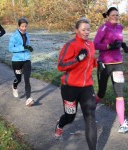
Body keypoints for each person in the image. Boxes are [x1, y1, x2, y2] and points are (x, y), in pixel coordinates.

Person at [54, 18, 97, 150]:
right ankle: (60, 125)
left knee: (90, 117)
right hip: (70, 88)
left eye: (88, 29)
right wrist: (77, 59)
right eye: (83, 29)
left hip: (87, 87)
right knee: (70, 117)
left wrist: (99, 63)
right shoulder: (70, 45)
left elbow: (91, 62)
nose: (86, 32)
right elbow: (61, 66)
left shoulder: (91, 44)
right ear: (76, 30)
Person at [94, 7, 128, 133]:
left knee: (119, 94)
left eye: (117, 15)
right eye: (113, 15)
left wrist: (124, 46)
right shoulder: (103, 28)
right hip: (105, 64)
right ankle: (91, 108)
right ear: (107, 16)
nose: (115, 17)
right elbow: (95, 44)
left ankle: (122, 123)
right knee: (101, 92)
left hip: (117, 64)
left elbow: (119, 41)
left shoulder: (119, 27)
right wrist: (108, 46)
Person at [9, 18, 34, 106]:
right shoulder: (14, 36)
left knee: (27, 79)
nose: (24, 28)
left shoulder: (27, 34)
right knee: (18, 79)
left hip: (26, 59)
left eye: (25, 26)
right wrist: (23, 48)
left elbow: (27, 45)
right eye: (22, 26)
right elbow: (11, 49)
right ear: (18, 26)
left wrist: (29, 47)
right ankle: (14, 86)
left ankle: (28, 98)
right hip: (17, 61)